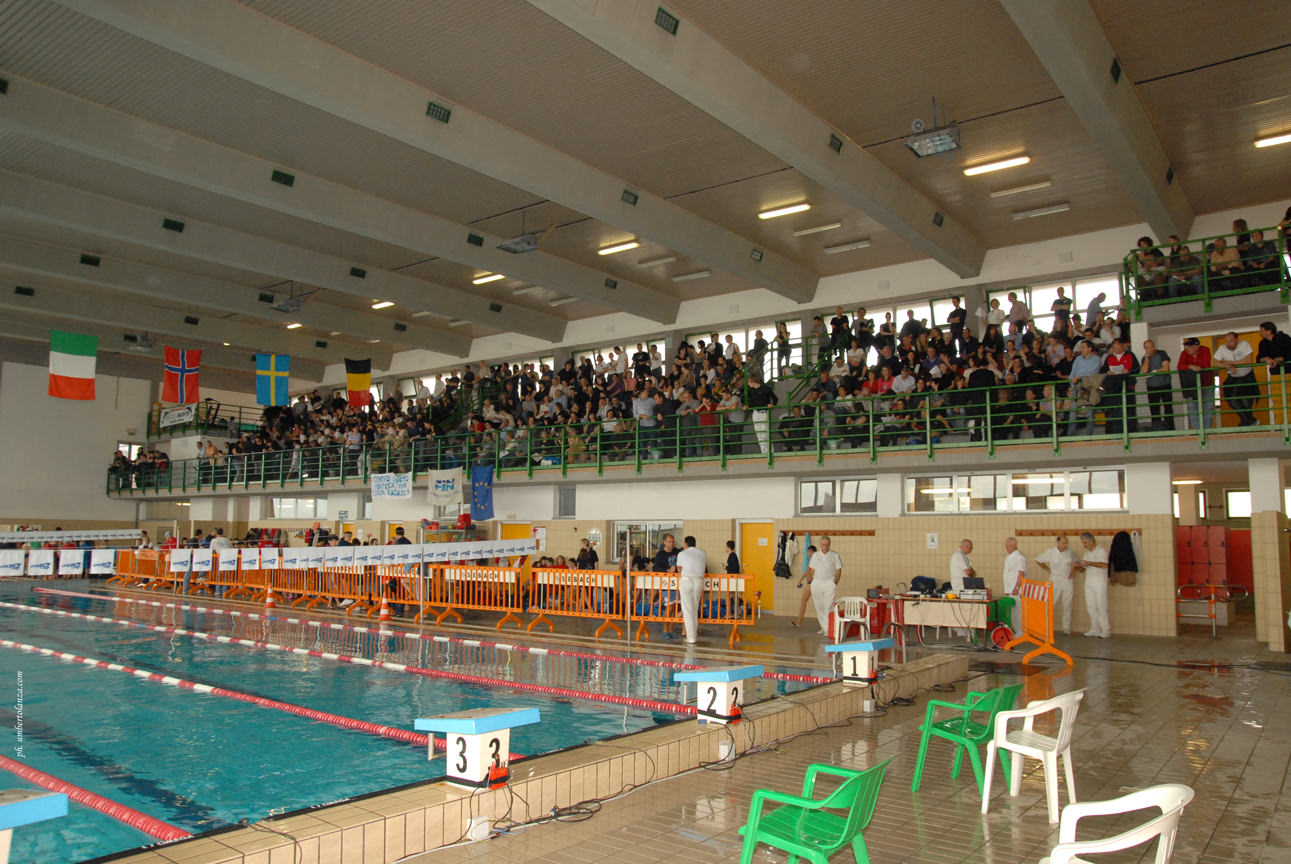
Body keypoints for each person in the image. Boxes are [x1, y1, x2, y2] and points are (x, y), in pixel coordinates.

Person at [1035, 535, 1077, 635]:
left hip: (1067, 581)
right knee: (1050, 604)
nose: (1065, 545)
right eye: (1063, 543)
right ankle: (1047, 627)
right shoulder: (1051, 552)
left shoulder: (1070, 551)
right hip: (1055, 581)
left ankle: (1066, 628)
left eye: (1066, 543)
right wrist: (1047, 569)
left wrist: (1074, 571)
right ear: (1058, 543)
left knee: (1067, 605)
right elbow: (1038, 560)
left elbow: (1076, 563)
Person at [1214, 331, 1258, 426]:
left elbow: (1248, 361)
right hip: (1233, 378)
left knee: (1247, 402)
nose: (1228, 343)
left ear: (1237, 340)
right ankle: (1250, 421)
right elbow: (1214, 363)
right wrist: (1228, 366)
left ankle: (1247, 422)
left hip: (1248, 376)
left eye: (1231, 341)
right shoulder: (1222, 348)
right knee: (1232, 399)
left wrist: (1230, 363)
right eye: (1226, 341)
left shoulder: (1244, 344)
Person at [1074, 532, 1110, 638]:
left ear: (1092, 541)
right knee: (1091, 607)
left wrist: (1089, 563)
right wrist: (1077, 566)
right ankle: (1095, 629)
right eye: (1082, 543)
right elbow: (1082, 570)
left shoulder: (1100, 551)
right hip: (1089, 583)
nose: (1084, 545)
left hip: (1099, 583)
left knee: (1101, 607)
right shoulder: (1087, 553)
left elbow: (1104, 565)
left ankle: (1105, 630)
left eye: (1085, 542)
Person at [804, 535, 842, 636]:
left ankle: (828, 629)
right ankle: (824, 627)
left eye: (827, 545)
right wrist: (811, 582)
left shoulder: (835, 555)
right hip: (817, 583)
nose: (825, 547)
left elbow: (838, 571)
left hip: (829, 583)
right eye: (823, 545)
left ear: (830, 545)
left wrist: (835, 583)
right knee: (819, 606)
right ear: (820, 545)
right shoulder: (815, 555)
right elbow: (811, 570)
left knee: (828, 607)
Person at [1176, 337, 1215, 430]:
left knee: (1208, 407)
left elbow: (1205, 365)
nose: (1187, 348)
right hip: (1191, 385)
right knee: (1192, 408)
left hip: (1207, 384)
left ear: (1196, 346)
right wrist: (1191, 366)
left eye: (1189, 346)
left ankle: (1207, 431)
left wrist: (1192, 366)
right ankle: (1197, 431)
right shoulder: (1184, 353)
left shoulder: (1205, 350)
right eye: (1187, 346)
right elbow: (1179, 366)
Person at [675, 536, 707, 644]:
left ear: (685, 544)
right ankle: (693, 635)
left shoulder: (682, 554)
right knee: (694, 609)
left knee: (687, 610)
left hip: (686, 581)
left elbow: (679, 569)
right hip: (698, 582)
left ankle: (691, 638)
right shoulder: (703, 553)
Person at [1141, 339, 1174, 431]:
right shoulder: (1144, 358)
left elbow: (1166, 367)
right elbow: (1144, 371)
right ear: (1145, 349)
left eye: (1151, 347)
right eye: (1147, 348)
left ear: (1154, 346)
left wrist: (1156, 371)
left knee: (1168, 407)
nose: (1150, 349)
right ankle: (1157, 428)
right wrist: (1147, 358)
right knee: (1154, 408)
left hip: (1165, 384)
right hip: (1152, 386)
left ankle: (1170, 429)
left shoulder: (1161, 353)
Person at [652, 533, 680, 638]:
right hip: (666, 583)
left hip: (677, 583)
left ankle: (671, 631)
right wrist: (667, 571)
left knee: (675, 608)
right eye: (669, 542)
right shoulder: (660, 554)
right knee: (669, 606)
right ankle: (665, 630)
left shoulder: (677, 552)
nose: (671, 544)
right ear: (664, 542)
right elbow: (656, 568)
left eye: (672, 542)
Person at [1001, 537, 1026, 636]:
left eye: (1009, 545)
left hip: (1017, 590)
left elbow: (1021, 573)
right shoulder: (1008, 557)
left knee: (1017, 614)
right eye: (1006, 546)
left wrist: (1016, 587)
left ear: (1015, 545)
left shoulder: (1020, 557)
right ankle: (1017, 631)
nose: (1007, 548)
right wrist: (1007, 589)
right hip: (1010, 589)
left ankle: (1021, 633)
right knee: (1012, 613)